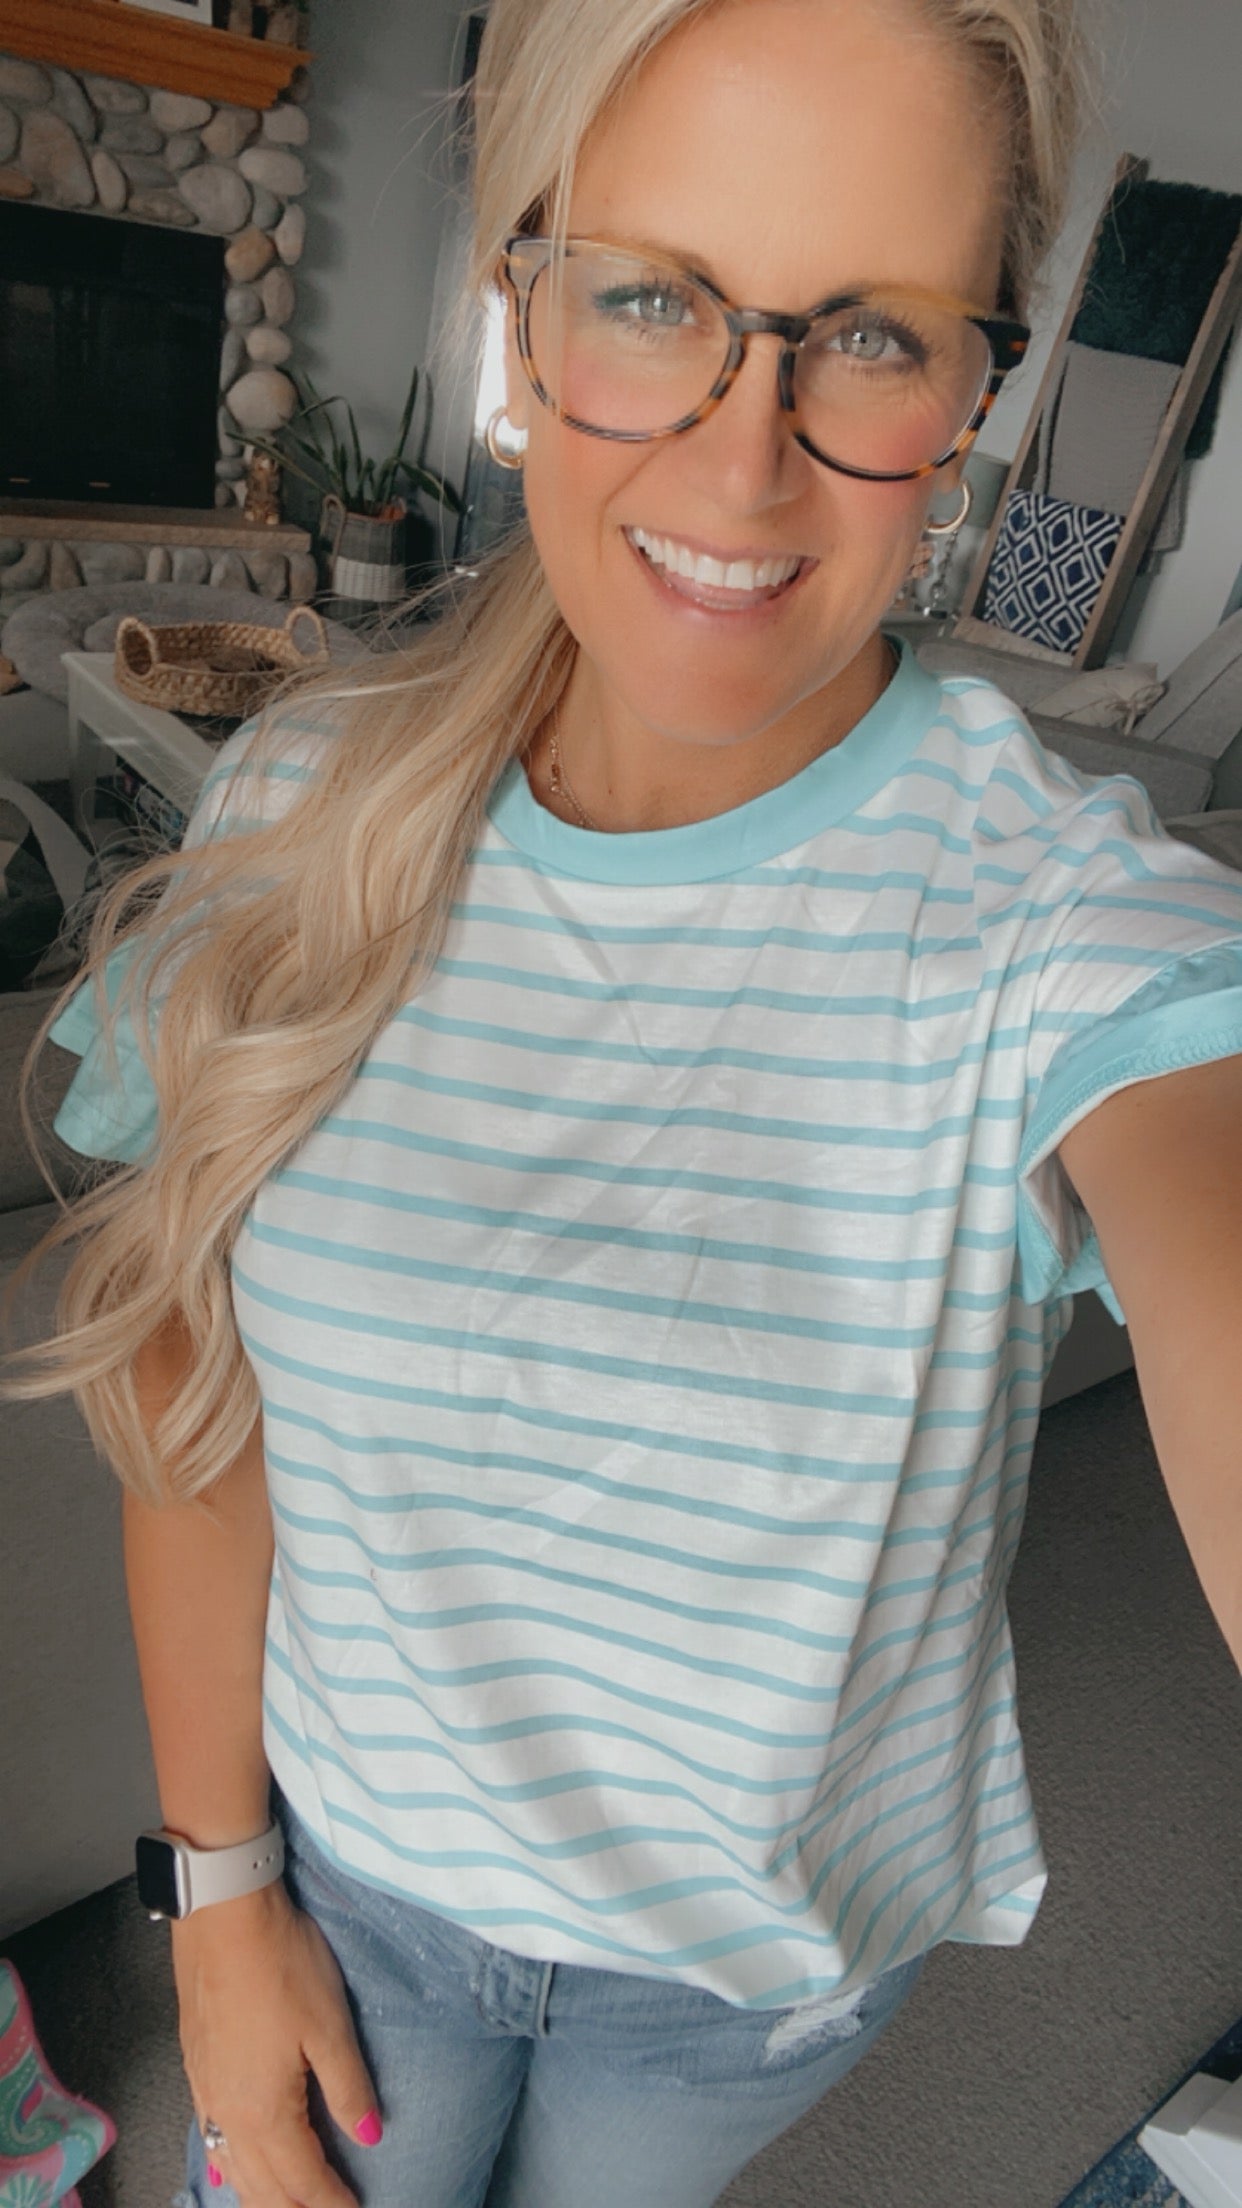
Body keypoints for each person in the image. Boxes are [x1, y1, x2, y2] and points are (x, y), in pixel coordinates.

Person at [9, 1, 1242, 2204]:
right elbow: (191, 1392)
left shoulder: (1058, 919)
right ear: (523, 310)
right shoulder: (303, 812)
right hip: (349, 1881)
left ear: (972, 392)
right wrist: (212, 1905)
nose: (742, 466)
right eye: (655, 298)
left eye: (868, 336)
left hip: (741, 1986)